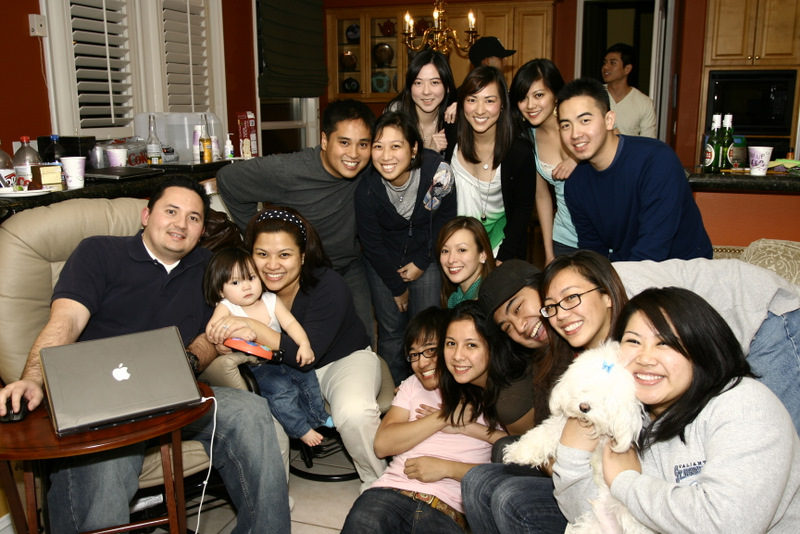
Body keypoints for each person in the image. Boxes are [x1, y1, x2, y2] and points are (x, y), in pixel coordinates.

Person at [0, 176, 290, 533]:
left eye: (194, 218)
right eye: (171, 211)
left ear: (202, 231)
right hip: (101, 403)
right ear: (146, 215)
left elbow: (213, 334)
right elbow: (66, 320)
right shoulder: (99, 253)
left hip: (175, 394)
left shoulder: (210, 268)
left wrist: (190, 360)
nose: (181, 224)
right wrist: (32, 378)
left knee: (251, 411)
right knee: (110, 458)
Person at [554, 287, 800, 532]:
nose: (645, 358)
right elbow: (591, 515)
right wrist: (572, 454)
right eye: (633, 341)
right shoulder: (633, 413)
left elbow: (725, 525)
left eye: (664, 343)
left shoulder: (745, 406)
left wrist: (625, 481)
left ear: (702, 347)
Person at [206, 206, 387, 491]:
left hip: (341, 361)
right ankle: (275, 500)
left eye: (284, 255)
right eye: (262, 254)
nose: (272, 265)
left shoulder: (329, 285)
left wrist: (254, 328)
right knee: (262, 422)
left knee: (354, 411)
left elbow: (306, 356)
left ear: (302, 256)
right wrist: (224, 343)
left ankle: (380, 485)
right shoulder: (246, 289)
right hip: (279, 372)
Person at [216, 99, 377, 344]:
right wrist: (258, 235)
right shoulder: (288, 170)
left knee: (363, 342)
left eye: (363, 144)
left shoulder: (369, 167)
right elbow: (228, 179)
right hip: (300, 276)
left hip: (348, 267)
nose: (354, 154)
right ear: (325, 140)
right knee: (302, 346)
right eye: (344, 142)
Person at [342, 306, 504, 533]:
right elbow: (382, 445)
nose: (421, 363)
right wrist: (444, 417)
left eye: (430, 351)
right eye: (414, 355)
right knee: (362, 523)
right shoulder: (412, 385)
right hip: (390, 492)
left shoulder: (492, 390)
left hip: (446, 508)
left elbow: (514, 463)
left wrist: (450, 465)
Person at [557, 77, 713, 261]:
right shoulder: (576, 184)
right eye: (566, 125)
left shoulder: (656, 160)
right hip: (630, 263)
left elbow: (653, 248)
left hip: (683, 267)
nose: (575, 134)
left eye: (585, 120)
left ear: (609, 120)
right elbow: (593, 251)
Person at [355, 111, 456, 385]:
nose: (386, 156)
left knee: (426, 331)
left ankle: (430, 390)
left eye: (396, 146)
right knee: (391, 333)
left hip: (427, 255)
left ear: (413, 149)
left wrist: (422, 262)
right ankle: (395, 392)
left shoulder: (438, 173)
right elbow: (372, 243)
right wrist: (397, 287)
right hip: (383, 264)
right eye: (378, 146)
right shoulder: (366, 187)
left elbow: (444, 224)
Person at [202, 246, 333, 447]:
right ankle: (301, 429)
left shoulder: (270, 299)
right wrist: (236, 332)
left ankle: (318, 416)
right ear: (221, 290)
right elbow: (212, 331)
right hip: (255, 365)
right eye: (236, 282)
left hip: (281, 356)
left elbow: (290, 323)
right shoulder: (227, 306)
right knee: (281, 390)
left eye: (251, 278)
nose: (246, 287)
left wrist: (304, 344)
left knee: (308, 377)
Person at [444, 66, 536, 261]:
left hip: (501, 247)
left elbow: (522, 211)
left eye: (489, 100)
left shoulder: (519, 153)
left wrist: (502, 259)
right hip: (455, 249)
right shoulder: (451, 137)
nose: (479, 109)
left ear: (502, 104)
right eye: (472, 100)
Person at [510, 59, 579, 264]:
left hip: (603, 236)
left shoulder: (582, 121)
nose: (530, 105)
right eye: (523, 98)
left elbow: (617, 146)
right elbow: (542, 198)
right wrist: (549, 253)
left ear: (556, 94)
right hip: (563, 237)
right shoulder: (528, 138)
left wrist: (576, 158)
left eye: (539, 95)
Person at [386, 49, 458, 153]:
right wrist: (431, 153)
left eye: (434, 82)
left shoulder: (451, 117)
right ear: (410, 87)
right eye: (418, 83)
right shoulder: (395, 113)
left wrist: (466, 112)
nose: (426, 92)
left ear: (447, 87)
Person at [438, 216, 496, 308]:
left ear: (483, 254)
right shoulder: (455, 299)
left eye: (462, 250)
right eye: (445, 251)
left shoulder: (490, 301)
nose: (451, 260)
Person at [601, 43, 657, 138]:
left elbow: (648, 142)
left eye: (613, 63)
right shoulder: (593, 95)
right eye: (605, 63)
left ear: (627, 69)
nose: (606, 67)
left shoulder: (644, 103)